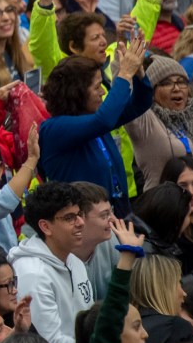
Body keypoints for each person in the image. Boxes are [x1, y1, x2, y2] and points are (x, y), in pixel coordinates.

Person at [37, 38, 150, 215]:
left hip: (117, 216)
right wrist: (125, 74)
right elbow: (104, 120)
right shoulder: (53, 129)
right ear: (77, 92)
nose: (103, 92)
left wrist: (138, 72)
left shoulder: (94, 120)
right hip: (83, 228)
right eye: (97, 87)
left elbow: (140, 104)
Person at [124, 53, 193, 188]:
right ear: (152, 91)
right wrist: (124, 66)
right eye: (166, 83)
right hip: (169, 206)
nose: (176, 88)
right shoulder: (144, 120)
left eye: (181, 82)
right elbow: (124, 99)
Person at [8, 183, 93, 343]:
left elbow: (91, 319)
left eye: (80, 214)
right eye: (70, 218)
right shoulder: (32, 274)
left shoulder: (74, 261)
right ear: (46, 226)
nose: (80, 223)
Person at [131, 254, 193, 343]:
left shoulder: (124, 331)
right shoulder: (177, 328)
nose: (184, 293)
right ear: (163, 288)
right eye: (178, 283)